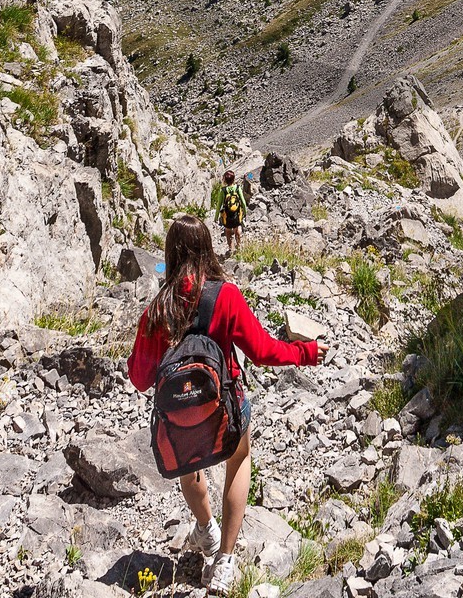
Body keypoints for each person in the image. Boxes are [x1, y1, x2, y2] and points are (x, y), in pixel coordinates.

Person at [128, 215, 325, 594]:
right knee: (239, 459)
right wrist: (307, 352)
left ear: (170, 254)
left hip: (180, 416)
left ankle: (205, 531)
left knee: (190, 469)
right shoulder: (225, 295)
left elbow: (139, 378)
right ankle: (226, 562)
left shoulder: (157, 309)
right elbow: (264, 351)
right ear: (207, 249)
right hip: (225, 406)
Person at [217, 168, 248, 255]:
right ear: (233, 179)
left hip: (226, 214)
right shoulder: (237, 188)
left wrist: (216, 217)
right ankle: (238, 247)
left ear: (225, 180)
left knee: (227, 231)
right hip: (237, 213)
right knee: (237, 229)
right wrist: (245, 212)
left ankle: (231, 248)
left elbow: (219, 205)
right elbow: (243, 201)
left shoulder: (223, 191)